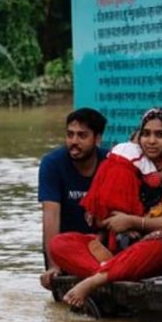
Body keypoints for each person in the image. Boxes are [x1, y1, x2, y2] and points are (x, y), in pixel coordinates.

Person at [50, 107, 162, 309]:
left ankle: (95, 280)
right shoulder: (127, 166)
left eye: (159, 135)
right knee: (60, 243)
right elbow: (96, 215)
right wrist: (108, 220)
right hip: (118, 251)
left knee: (161, 241)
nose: (151, 141)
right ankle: (113, 272)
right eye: (146, 134)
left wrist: (134, 222)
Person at [38, 108, 108, 290]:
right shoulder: (52, 163)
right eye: (70, 135)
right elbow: (50, 215)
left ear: (97, 139)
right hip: (64, 248)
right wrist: (54, 266)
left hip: (101, 244)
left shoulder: (110, 162)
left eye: (82, 136)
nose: (74, 142)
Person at [79, 140, 162, 252]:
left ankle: (100, 241)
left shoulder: (117, 148)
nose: (151, 141)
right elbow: (154, 180)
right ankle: (111, 249)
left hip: (103, 183)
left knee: (106, 217)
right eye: (146, 134)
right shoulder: (141, 155)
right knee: (120, 221)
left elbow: (109, 158)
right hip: (123, 192)